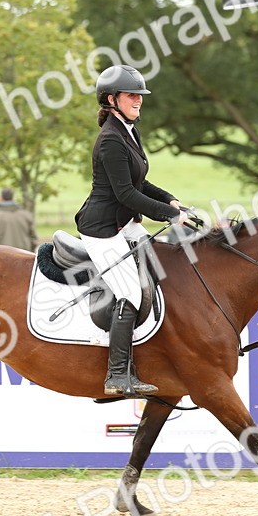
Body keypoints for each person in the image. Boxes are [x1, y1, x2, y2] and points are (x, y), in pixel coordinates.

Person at [76, 64, 189, 397]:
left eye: (139, 95)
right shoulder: (110, 140)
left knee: (162, 270)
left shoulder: (128, 130)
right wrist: (166, 214)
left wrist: (171, 200)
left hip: (124, 224)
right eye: (131, 95)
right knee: (131, 292)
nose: (138, 100)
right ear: (112, 99)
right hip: (102, 229)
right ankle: (116, 374)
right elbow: (125, 194)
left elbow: (141, 182)